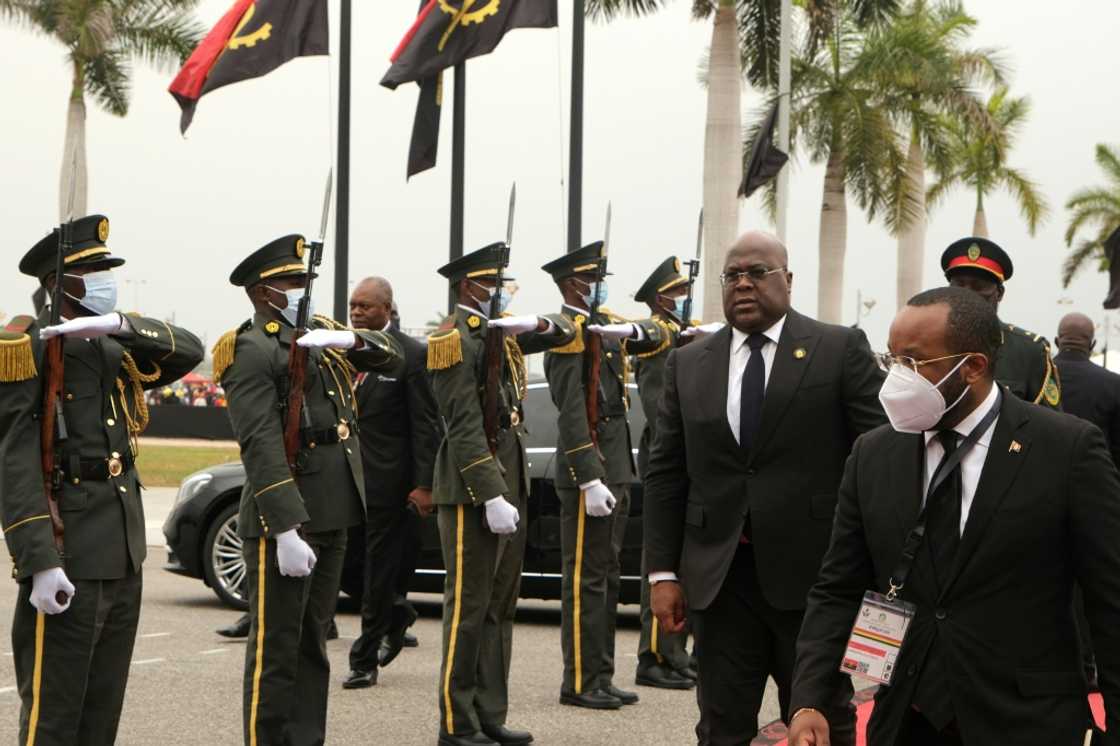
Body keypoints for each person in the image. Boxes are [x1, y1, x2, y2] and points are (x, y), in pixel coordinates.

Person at [789, 286, 1120, 746]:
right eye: (892, 360)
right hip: (906, 719)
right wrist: (810, 699)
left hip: (1026, 721)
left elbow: (1110, 599)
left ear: (973, 368)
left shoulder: (1066, 449)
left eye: (914, 363)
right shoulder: (873, 454)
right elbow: (837, 588)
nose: (897, 378)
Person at [643, 231, 885, 745]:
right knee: (721, 725)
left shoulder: (838, 349)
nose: (743, 284)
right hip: (720, 582)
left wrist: (874, 561)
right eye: (733, 275)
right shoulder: (688, 363)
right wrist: (662, 573)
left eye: (758, 272)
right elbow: (666, 472)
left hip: (814, 582)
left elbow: (878, 457)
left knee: (822, 721)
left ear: (788, 280)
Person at [1, 214, 203, 744]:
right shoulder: (25, 347)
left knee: (101, 711)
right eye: (92, 270)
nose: (104, 279)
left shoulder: (109, 343)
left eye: (105, 269)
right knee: (54, 714)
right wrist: (37, 560)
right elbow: (13, 460)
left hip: (122, 550)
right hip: (68, 548)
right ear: (57, 282)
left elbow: (190, 349)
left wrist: (118, 325)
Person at [214, 234, 402, 746]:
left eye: (306, 281)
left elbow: (395, 356)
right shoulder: (250, 348)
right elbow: (259, 442)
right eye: (294, 282)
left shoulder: (320, 335)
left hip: (334, 509)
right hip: (288, 518)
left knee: (312, 646)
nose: (304, 290)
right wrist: (286, 526)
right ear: (262, 292)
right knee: (276, 651)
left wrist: (352, 342)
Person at [427, 243, 576, 746]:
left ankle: (489, 711)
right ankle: (457, 719)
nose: (503, 291)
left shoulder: (500, 335)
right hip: (473, 489)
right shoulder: (452, 341)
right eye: (495, 283)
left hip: (508, 480)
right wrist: (490, 492)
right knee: (467, 608)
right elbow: (464, 425)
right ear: (469, 286)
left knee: (499, 607)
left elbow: (569, 328)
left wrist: (531, 326)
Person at [540, 242, 666, 710]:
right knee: (584, 579)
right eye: (594, 278)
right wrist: (589, 476)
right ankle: (579, 680)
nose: (600, 285)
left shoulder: (600, 328)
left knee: (608, 576)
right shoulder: (565, 334)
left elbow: (656, 337)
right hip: (587, 472)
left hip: (616, 465)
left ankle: (602, 674)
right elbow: (572, 411)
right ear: (574, 283)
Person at [342, 277, 442, 689]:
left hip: (390, 483)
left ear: (387, 308)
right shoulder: (343, 351)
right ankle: (397, 612)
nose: (357, 312)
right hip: (347, 482)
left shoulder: (411, 354)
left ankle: (364, 659)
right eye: (353, 306)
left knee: (378, 573)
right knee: (347, 566)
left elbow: (425, 425)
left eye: (366, 306)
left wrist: (424, 483)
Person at [630, 256, 697, 691]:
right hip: (665, 453)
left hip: (688, 456)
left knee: (685, 563)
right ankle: (655, 655)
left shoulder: (679, 338)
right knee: (663, 564)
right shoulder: (657, 341)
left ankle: (675, 653)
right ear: (661, 298)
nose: (683, 299)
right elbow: (661, 407)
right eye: (676, 293)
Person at [941, 236, 1061, 409]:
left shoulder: (1029, 352)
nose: (966, 295)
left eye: (978, 286)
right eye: (959, 285)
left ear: (1000, 293)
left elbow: (1051, 424)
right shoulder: (928, 345)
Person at [1054, 312, 1120, 466]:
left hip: (1043, 474)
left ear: (1057, 342)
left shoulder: (1039, 375)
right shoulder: (1113, 383)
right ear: (1092, 344)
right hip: (1094, 474)